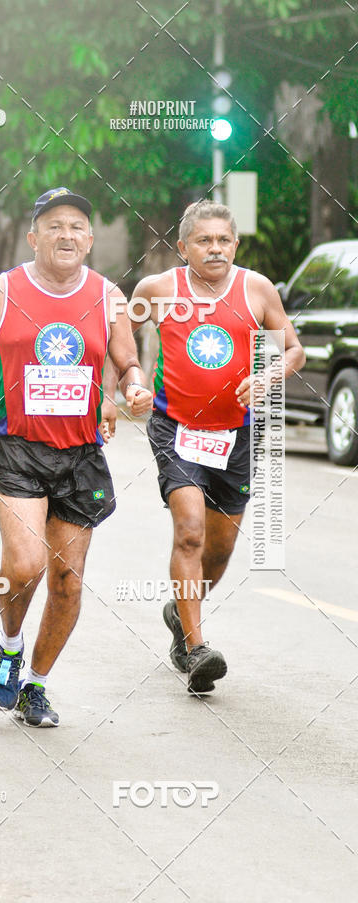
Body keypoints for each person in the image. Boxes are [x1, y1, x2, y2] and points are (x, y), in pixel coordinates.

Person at [0, 187, 152, 726]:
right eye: (54, 225)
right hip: (16, 447)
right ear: (34, 236)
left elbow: (127, 362)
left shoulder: (109, 297)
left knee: (67, 581)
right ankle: (7, 645)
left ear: (89, 239)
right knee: (26, 564)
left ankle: (35, 685)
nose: (67, 234)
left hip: (81, 454)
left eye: (78, 226)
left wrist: (131, 388)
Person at [104, 200, 305, 694]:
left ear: (235, 244)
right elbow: (118, 337)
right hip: (176, 429)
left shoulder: (256, 289)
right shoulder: (158, 289)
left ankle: (180, 610)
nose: (214, 248)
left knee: (218, 551)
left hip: (235, 433)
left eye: (223, 240)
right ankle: (196, 650)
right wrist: (117, 392)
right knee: (190, 532)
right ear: (183, 247)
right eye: (203, 240)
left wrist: (268, 377)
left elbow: (293, 349)